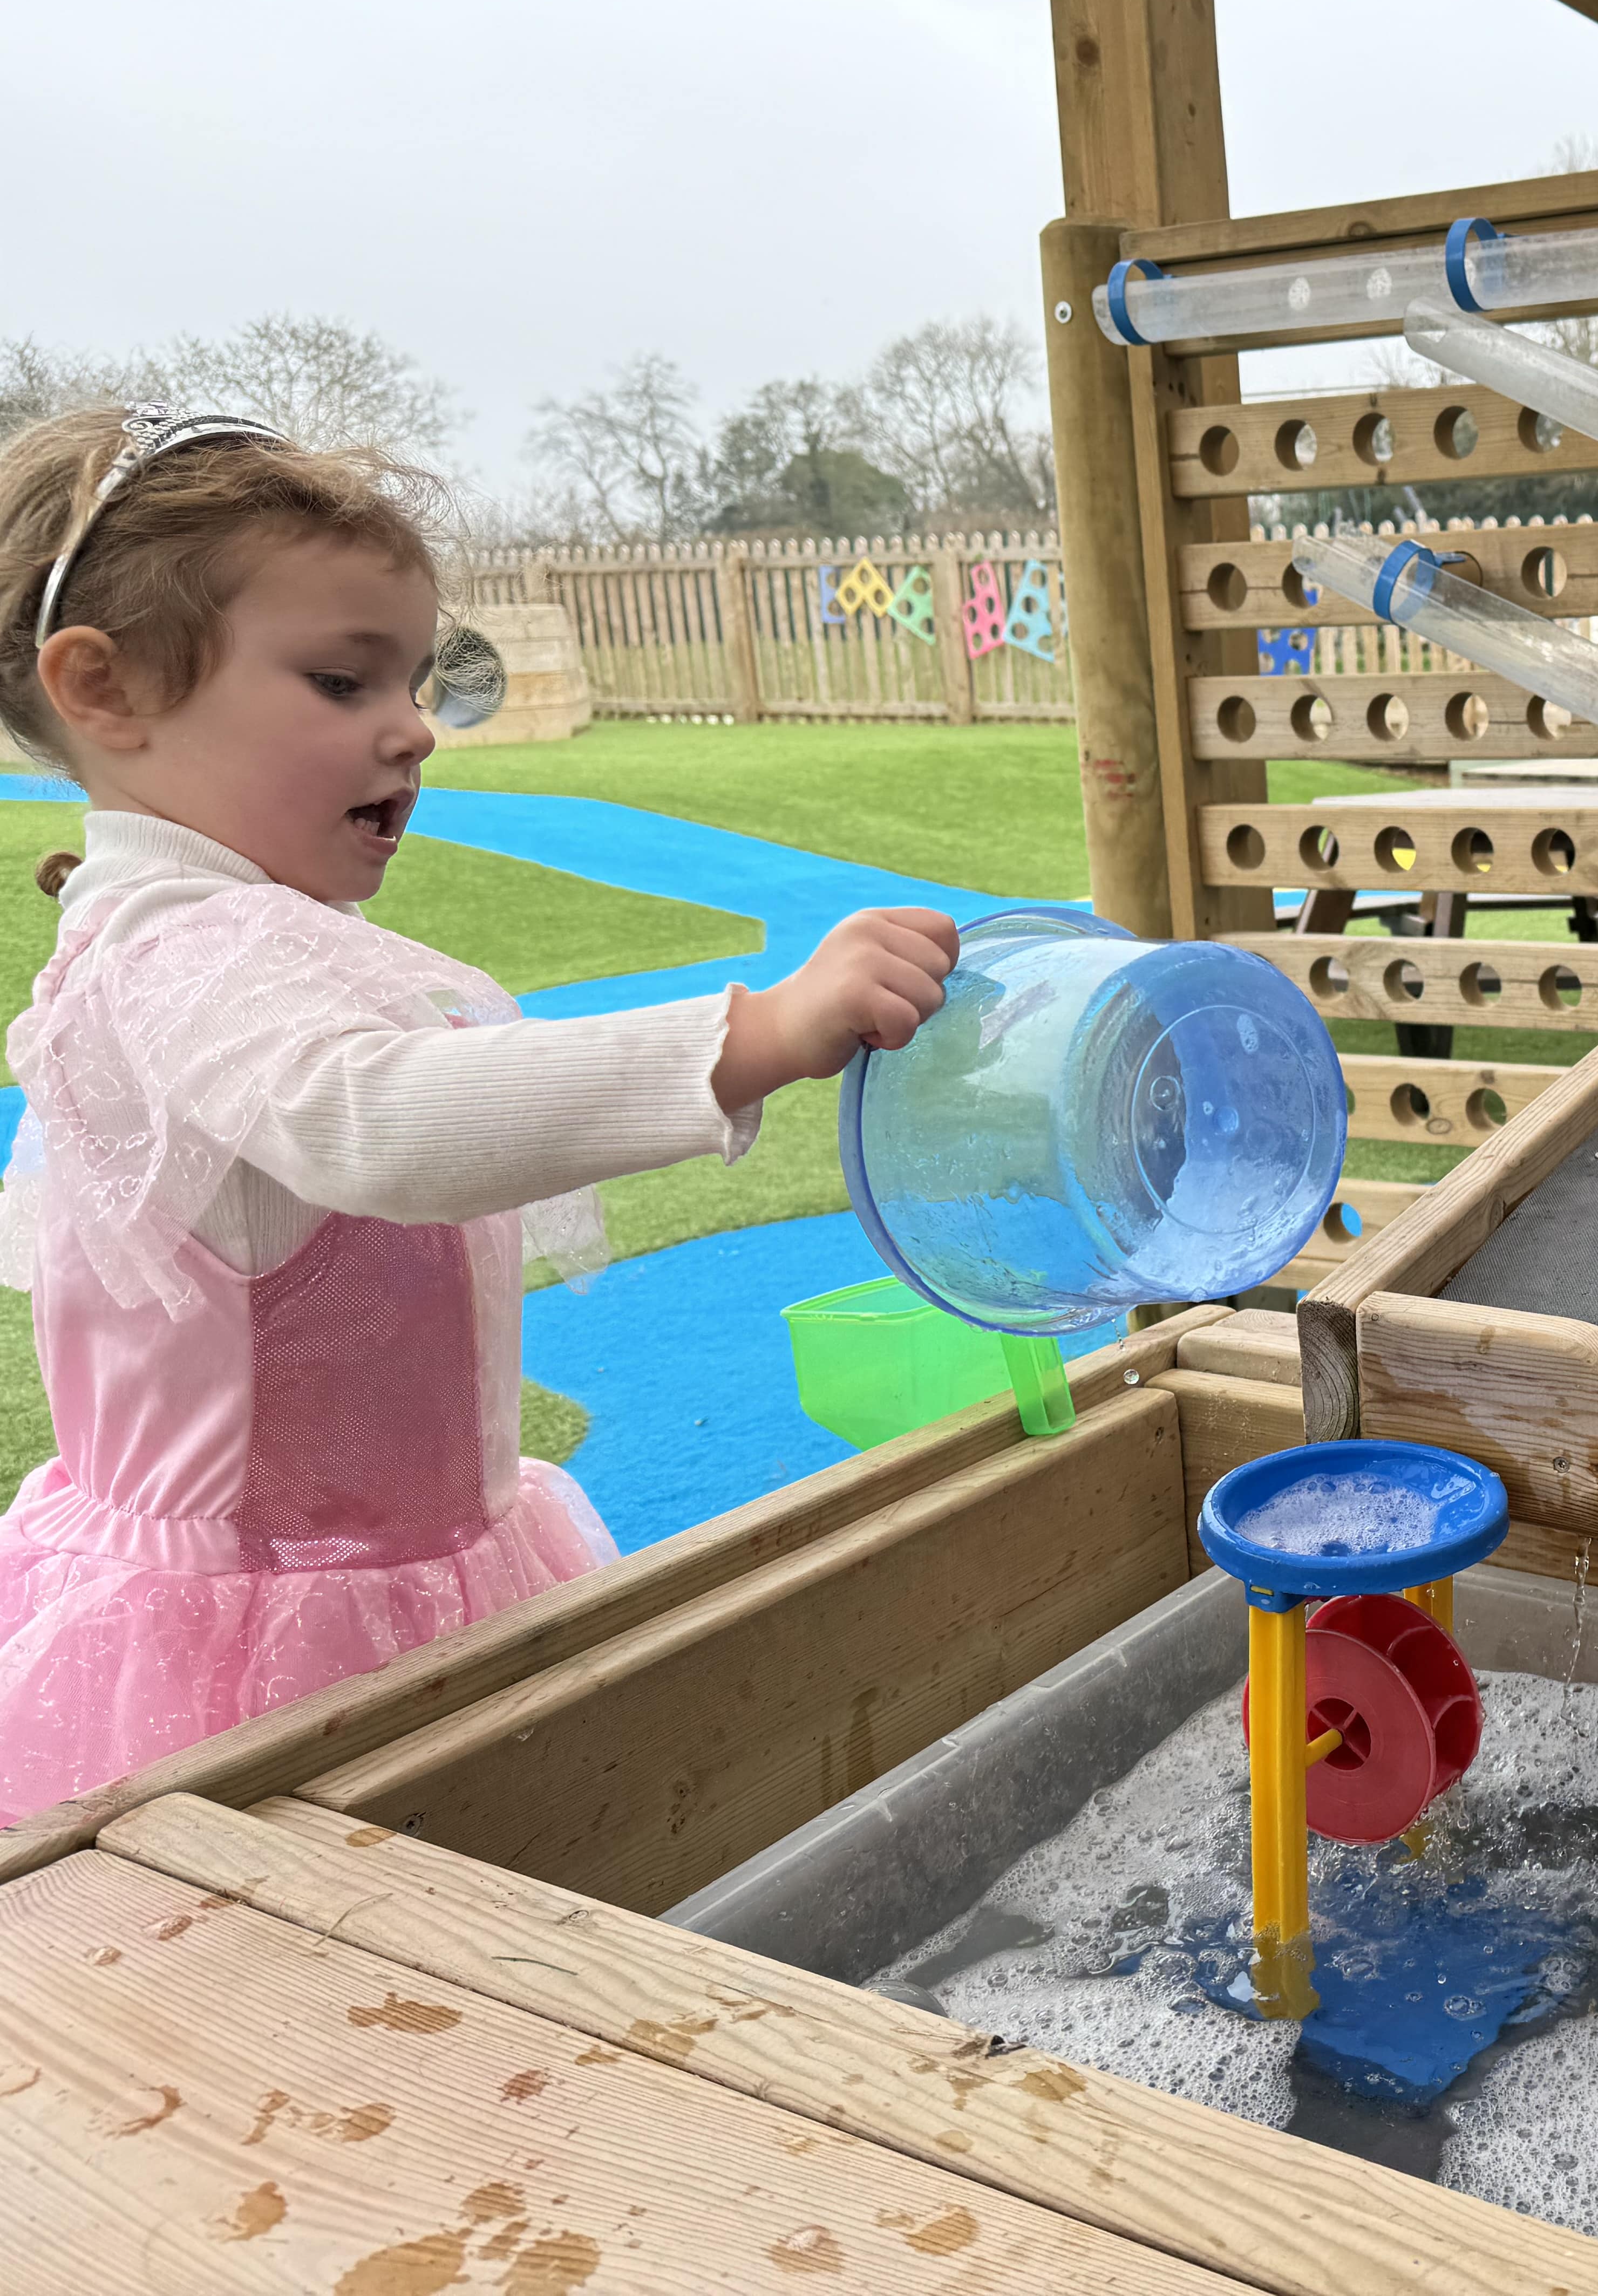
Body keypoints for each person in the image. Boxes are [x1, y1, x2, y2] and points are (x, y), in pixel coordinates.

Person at [0, 404, 958, 1823]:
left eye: (415, 676)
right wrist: (756, 1035)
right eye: (343, 681)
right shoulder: (183, 958)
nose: (416, 726)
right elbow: (380, 1122)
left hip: (406, 1563)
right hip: (272, 1644)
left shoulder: (218, 936)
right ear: (109, 691)